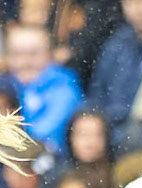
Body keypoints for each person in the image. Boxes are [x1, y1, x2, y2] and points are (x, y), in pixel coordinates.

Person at [87, 0, 142, 131]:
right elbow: (97, 92)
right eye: (130, 2)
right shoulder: (116, 42)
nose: (137, 9)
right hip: (110, 128)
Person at [5, 24, 83, 152]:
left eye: (34, 54)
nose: (25, 61)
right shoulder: (4, 87)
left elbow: (41, 137)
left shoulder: (64, 88)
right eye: (17, 54)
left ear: (50, 54)